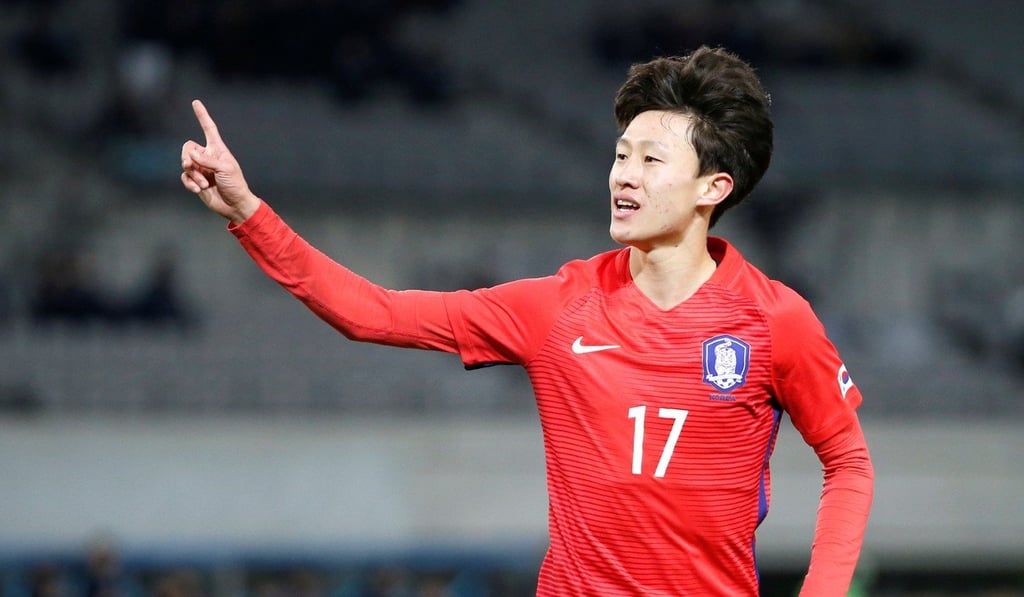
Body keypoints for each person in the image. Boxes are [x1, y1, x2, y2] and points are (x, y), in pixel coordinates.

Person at [180, 46, 873, 596]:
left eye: (651, 160)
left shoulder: (774, 319)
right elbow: (372, 312)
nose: (623, 175)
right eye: (620, 154)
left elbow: (848, 462)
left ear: (712, 188)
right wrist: (249, 213)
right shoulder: (557, 304)